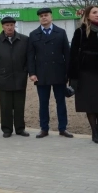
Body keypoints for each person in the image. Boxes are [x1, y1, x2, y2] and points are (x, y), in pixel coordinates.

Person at [28, 8, 73, 139]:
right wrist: (32, 73)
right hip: (41, 74)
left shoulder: (61, 32)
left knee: (61, 102)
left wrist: (68, 73)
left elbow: (67, 54)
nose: (44, 18)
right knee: (43, 103)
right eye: (41, 16)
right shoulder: (33, 34)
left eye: (46, 15)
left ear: (51, 17)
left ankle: (63, 128)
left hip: (59, 72)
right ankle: (44, 128)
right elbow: (30, 56)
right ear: (39, 18)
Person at [68, 5, 98, 144]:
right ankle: (95, 132)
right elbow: (73, 54)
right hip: (86, 73)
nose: (97, 14)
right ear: (88, 15)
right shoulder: (81, 31)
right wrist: (72, 76)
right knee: (90, 104)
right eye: (94, 12)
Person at [0, 16, 30, 138]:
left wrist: (26, 71)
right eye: (7, 25)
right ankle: (7, 129)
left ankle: (20, 128)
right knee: (5, 106)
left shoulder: (24, 40)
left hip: (20, 77)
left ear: (14, 26)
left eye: (11, 25)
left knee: (19, 105)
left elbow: (29, 58)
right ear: (2, 27)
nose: (9, 27)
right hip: (3, 77)